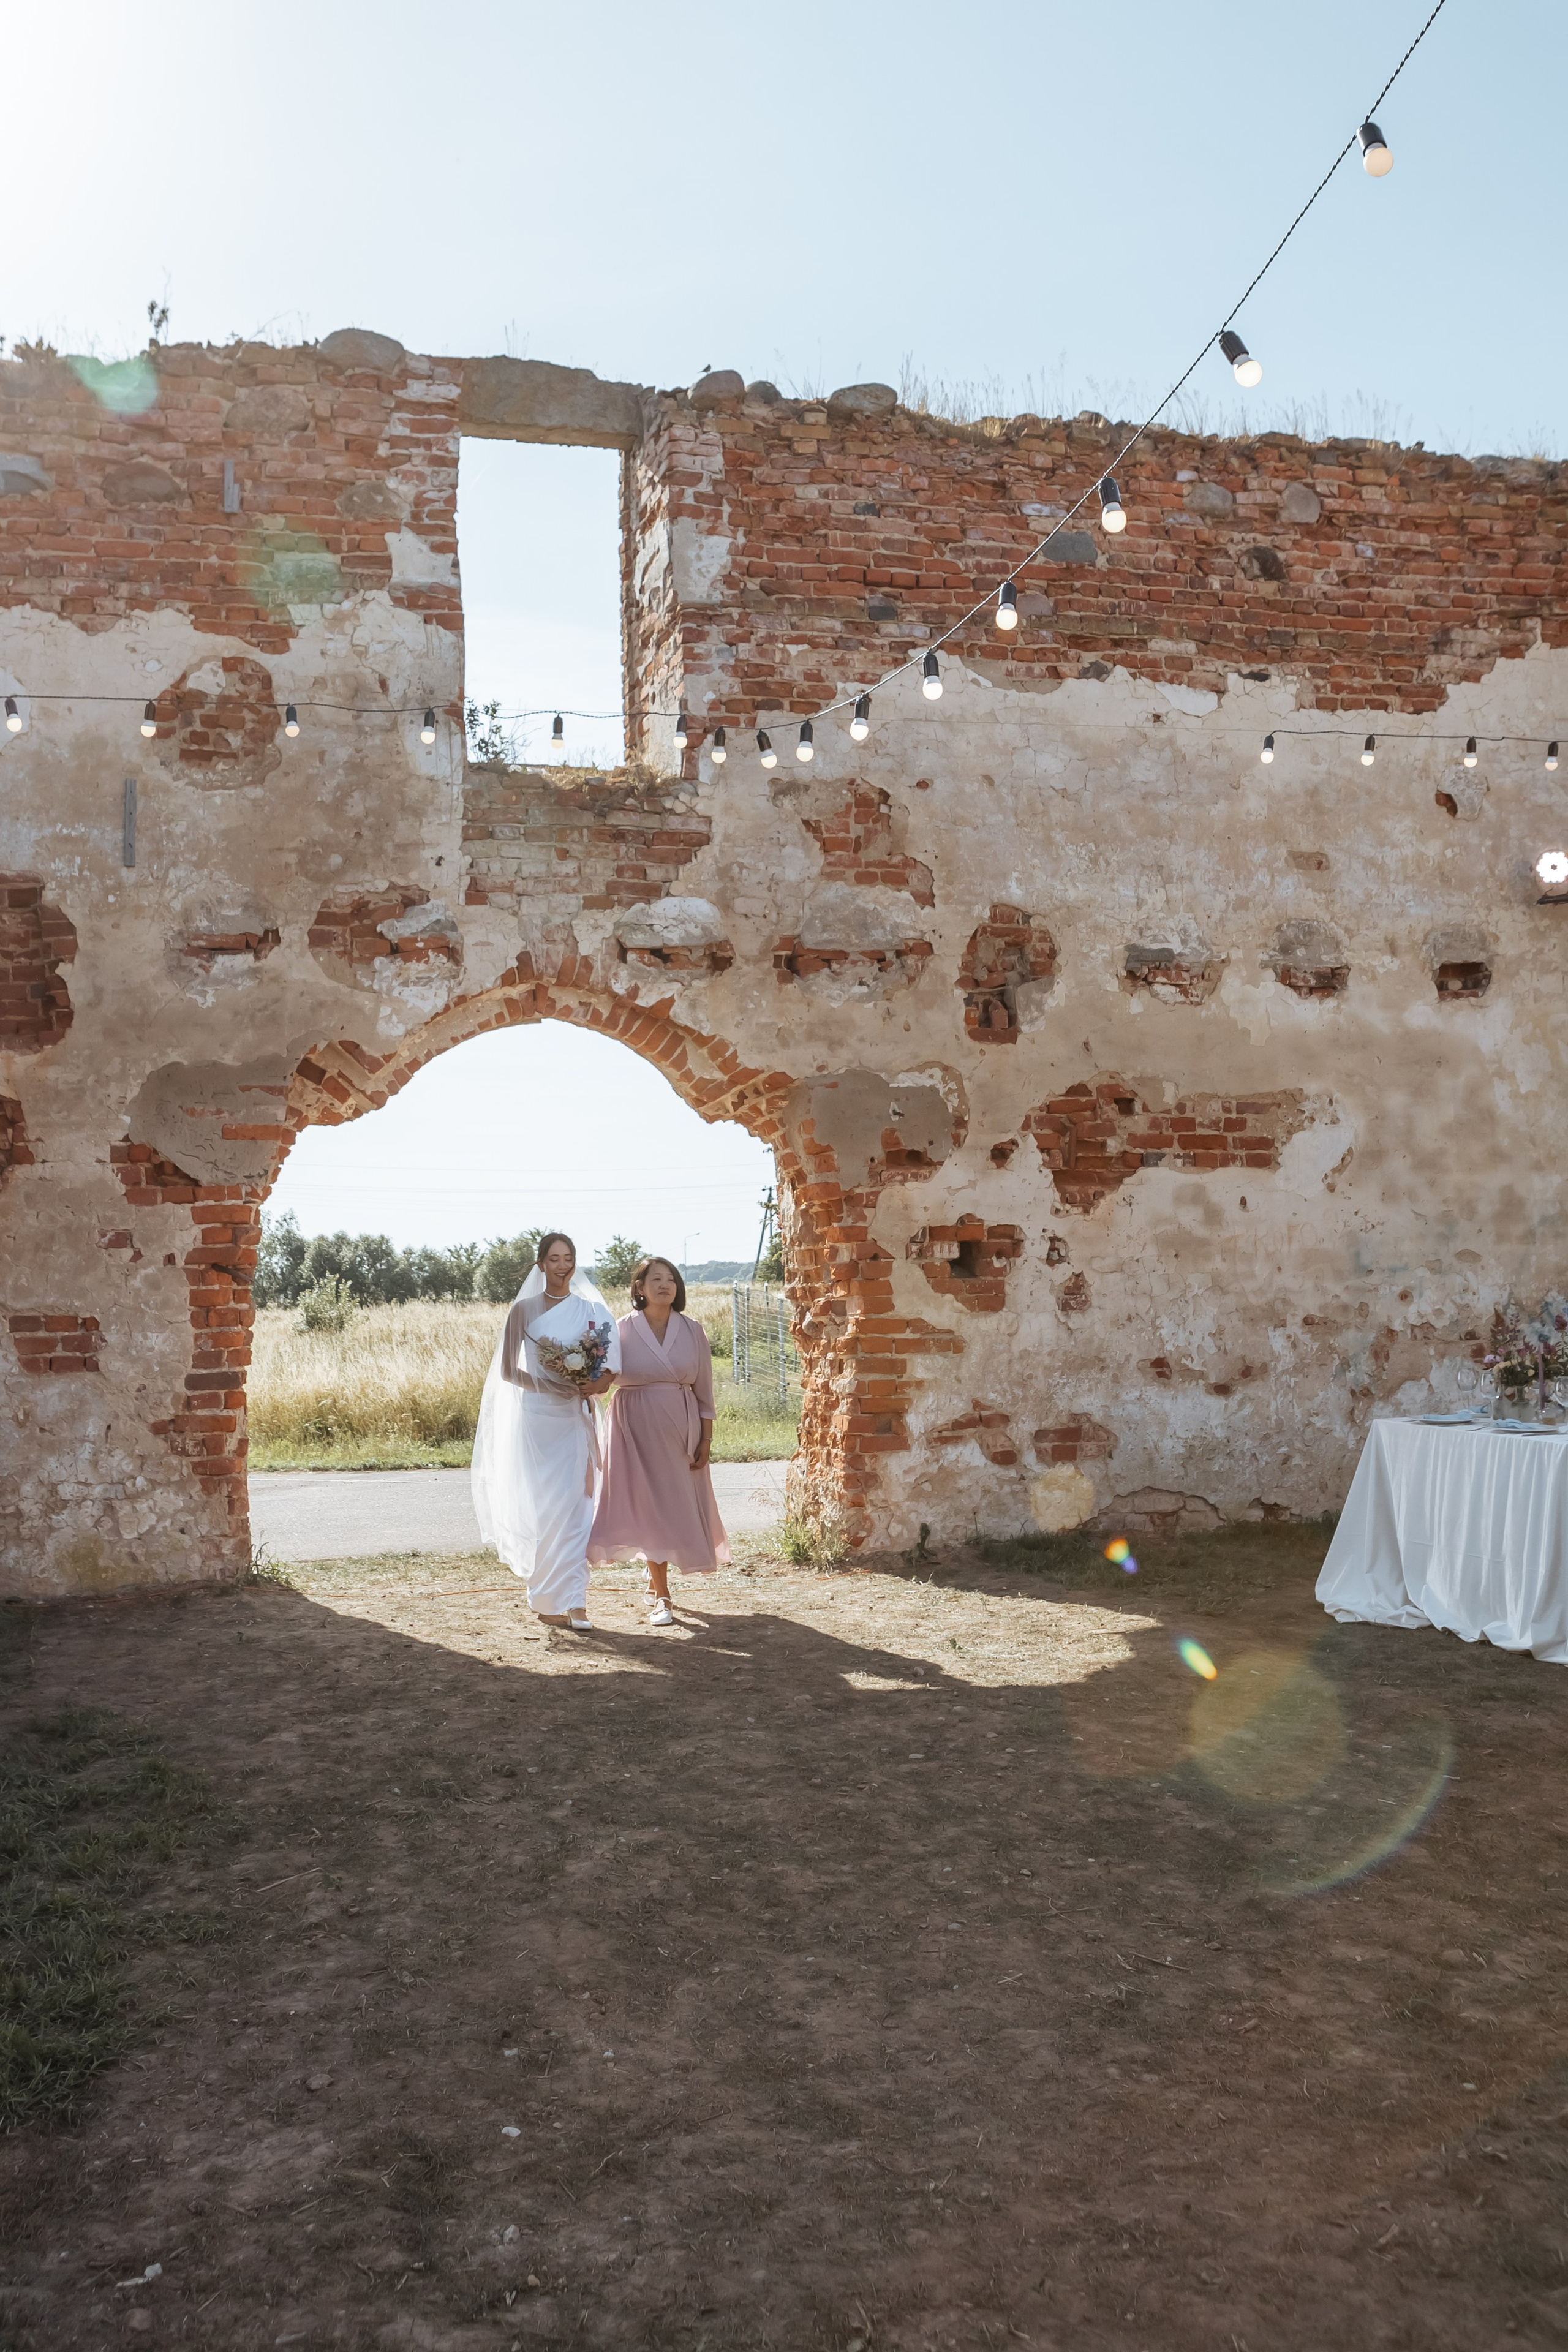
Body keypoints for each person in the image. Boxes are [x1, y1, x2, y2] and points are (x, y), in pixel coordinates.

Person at [470, 1232, 619, 1630]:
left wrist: (595, 1383)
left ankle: (576, 1603)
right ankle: (543, 1598)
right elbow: (507, 1370)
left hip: (573, 1415)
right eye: (554, 1258)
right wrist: (549, 1384)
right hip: (537, 1419)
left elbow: (610, 1364)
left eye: (568, 1257)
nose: (562, 1265)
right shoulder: (523, 1311)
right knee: (545, 1510)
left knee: (576, 1508)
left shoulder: (590, 1311)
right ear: (541, 1265)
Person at [588, 1255, 730, 1624]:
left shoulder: (693, 1329)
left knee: (673, 1504)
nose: (665, 1285)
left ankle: (656, 1581)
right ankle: (662, 1595)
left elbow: (705, 1392)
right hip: (632, 1428)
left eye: (671, 1279)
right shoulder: (620, 1329)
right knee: (647, 1506)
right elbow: (602, 1380)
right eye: (656, 1279)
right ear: (640, 1287)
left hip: (681, 1428)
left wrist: (706, 1440)